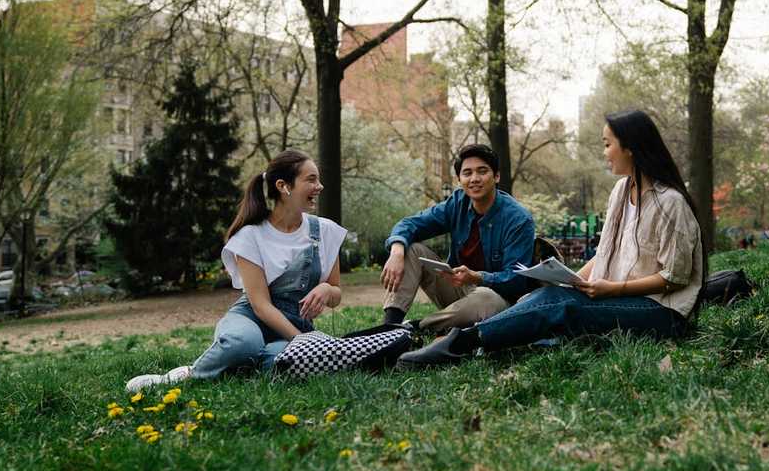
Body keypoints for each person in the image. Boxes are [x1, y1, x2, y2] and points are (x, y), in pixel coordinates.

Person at [398, 109, 702, 367]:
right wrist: (570, 280)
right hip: (622, 297)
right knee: (546, 297)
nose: (604, 152)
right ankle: (472, 337)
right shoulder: (621, 192)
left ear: (631, 147)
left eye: (608, 144)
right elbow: (607, 251)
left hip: (661, 311)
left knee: (561, 307)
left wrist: (613, 289)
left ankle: (461, 343)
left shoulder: (670, 202)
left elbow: (675, 277)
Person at [125, 150, 347, 392]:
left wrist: (327, 289)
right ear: (284, 186)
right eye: (311, 179)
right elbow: (261, 306)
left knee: (279, 360)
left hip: (293, 329)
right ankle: (186, 375)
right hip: (250, 320)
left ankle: (238, 367)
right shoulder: (250, 237)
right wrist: (302, 341)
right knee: (244, 342)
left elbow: (336, 295)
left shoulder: (325, 231)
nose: (320, 186)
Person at [380, 143, 535, 332]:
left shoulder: (518, 218)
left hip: (497, 299)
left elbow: (516, 281)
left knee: (485, 298)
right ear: (460, 179)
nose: (474, 179)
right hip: (458, 288)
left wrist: (478, 277)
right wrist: (396, 251)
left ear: (496, 176)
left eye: (482, 171)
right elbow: (410, 224)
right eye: (467, 173)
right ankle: (388, 328)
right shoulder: (457, 203)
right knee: (410, 249)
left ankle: (416, 328)